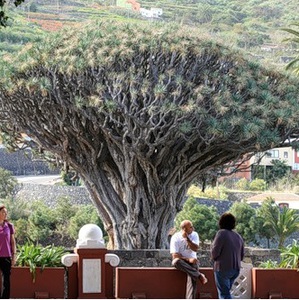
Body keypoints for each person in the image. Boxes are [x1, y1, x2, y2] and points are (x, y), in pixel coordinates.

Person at [170, 220, 207, 299]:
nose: (193, 228)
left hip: (193, 261)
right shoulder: (175, 237)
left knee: (192, 276)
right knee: (175, 261)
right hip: (182, 261)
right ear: (184, 229)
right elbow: (174, 255)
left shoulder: (194, 235)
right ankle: (199, 275)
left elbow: (195, 249)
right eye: (190, 227)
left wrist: (187, 238)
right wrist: (187, 259)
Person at [211, 212, 244, 299]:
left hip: (222, 268)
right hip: (235, 269)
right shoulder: (238, 236)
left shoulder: (221, 233)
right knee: (226, 292)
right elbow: (242, 255)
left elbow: (215, 252)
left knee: (224, 294)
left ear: (221, 222)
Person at [0, 205, 16, 299]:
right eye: (3, 212)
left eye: (6, 212)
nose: (5, 214)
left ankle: (5, 298)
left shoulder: (9, 226)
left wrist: (14, 256)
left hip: (6, 256)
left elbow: (13, 242)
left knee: (6, 280)